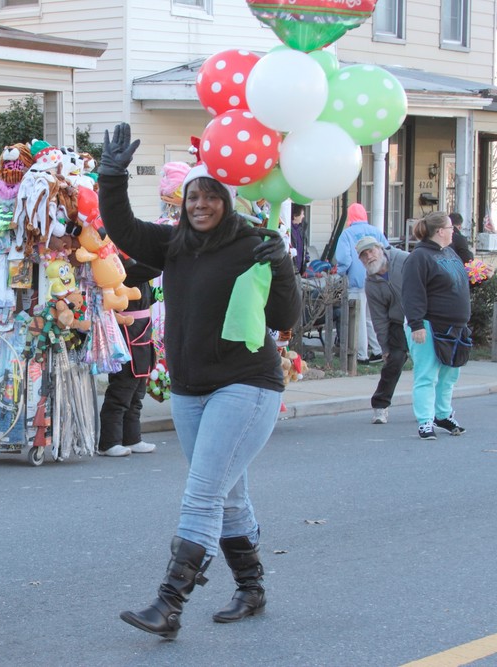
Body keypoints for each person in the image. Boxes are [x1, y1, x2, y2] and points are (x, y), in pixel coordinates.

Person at [97, 123, 301, 639]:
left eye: (212, 195)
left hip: (246, 384)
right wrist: (112, 175)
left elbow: (283, 316)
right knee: (227, 494)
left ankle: (169, 604)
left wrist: (281, 266)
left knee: (203, 492)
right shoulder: (174, 245)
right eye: (194, 194)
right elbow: (122, 228)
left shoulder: (254, 244)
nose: (201, 203)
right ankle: (251, 589)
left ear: (228, 201)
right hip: (191, 390)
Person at [401, 211, 471, 440]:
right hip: (429, 325)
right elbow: (412, 293)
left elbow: (455, 284)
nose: (454, 231)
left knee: (450, 375)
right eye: (451, 228)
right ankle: (425, 421)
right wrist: (416, 324)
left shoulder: (449, 253)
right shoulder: (419, 257)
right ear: (440, 231)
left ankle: (442, 414)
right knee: (427, 375)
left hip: (454, 325)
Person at [98, 260, 163, 457]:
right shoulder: (120, 265)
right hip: (127, 330)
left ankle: (132, 438)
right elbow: (154, 267)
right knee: (122, 388)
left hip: (141, 329)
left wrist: (152, 296)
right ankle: (109, 442)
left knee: (137, 391)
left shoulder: (135, 265)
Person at [356, 236, 410, 425]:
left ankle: (435, 407)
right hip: (398, 322)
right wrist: (384, 348)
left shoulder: (404, 259)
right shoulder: (371, 284)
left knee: (431, 364)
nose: (369, 257)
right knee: (394, 360)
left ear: (380, 248)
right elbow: (379, 318)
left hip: (422, 316)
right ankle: (380, 406)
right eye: (364, 255)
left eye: (371, 251)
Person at [335, 203, 388, 364]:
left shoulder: (347, 234)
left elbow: (344, 259)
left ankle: (361, 354)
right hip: (377, 279)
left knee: (357, 319)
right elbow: (387, 251)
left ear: (350, 217)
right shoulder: (376, 231)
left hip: (357, 282)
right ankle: (378, 350)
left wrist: (341, 273)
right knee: (372, 317)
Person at [290, 203, 310, 276]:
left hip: (300, 270)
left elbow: (304, 246)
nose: (303, 216)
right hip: (290, 270)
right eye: (302, 214)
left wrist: (306, 261)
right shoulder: (287, 230)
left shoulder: (301, 229)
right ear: (295, 216)